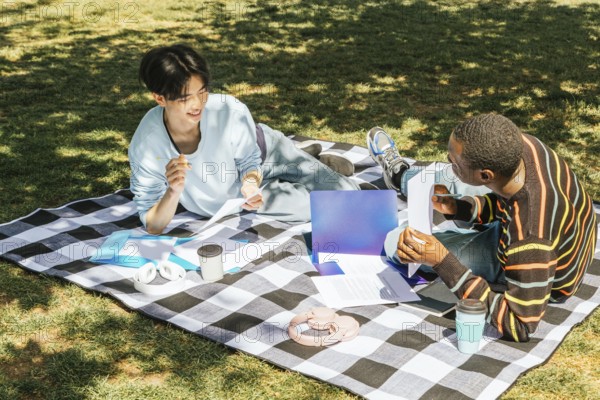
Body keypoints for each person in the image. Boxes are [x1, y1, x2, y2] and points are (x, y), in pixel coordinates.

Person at [368, 114, 597, 342]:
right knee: (444, 179)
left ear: (486, 175)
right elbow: (508, 201)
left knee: (396, 242)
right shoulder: (523, 145)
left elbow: (519, 326)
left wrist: (441, 261)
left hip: (548, 274)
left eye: (454, 162)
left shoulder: (528, 237)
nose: (449, 163)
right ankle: (400, 177)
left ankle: (405, 184)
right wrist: (458, 207)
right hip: (564, 231)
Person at [128, 44, 360, 234]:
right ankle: (309, 161)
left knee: (350, 196)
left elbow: (250, 161)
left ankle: (305, 160)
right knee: (319, 208)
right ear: (160, 98)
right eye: (185, 98)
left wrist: (250, 183)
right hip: (237, 197)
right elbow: (153, 225)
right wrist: (173, 191)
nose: (198, 104)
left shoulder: (230, 111)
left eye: (202, 92)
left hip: (266, 152)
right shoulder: (147, 146)